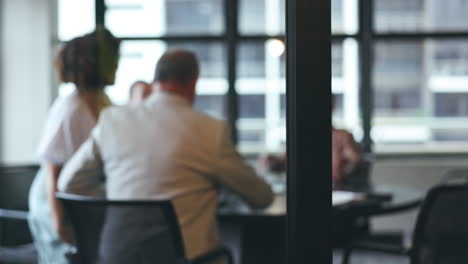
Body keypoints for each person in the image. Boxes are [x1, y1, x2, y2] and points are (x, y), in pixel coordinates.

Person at [58, 49, 273, 262]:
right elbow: (261, 197)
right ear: (193, 82)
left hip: (116, 256)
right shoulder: (209, 130)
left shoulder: (112, 121)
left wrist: (117, 199)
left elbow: (69, 182)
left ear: (155, 80)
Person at [28, 27, 120, 263]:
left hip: (80, 204)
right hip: (56, 207)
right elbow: (53, 168)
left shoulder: (100, 100)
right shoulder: (71, 108)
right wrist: (60, 226)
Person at [262, 97, 361, 185]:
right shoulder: (300, 137)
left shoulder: (342, 136)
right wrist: (272, 162)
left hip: (334, 190)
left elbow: (355, 161)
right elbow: (284, 162)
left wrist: (341, 177)